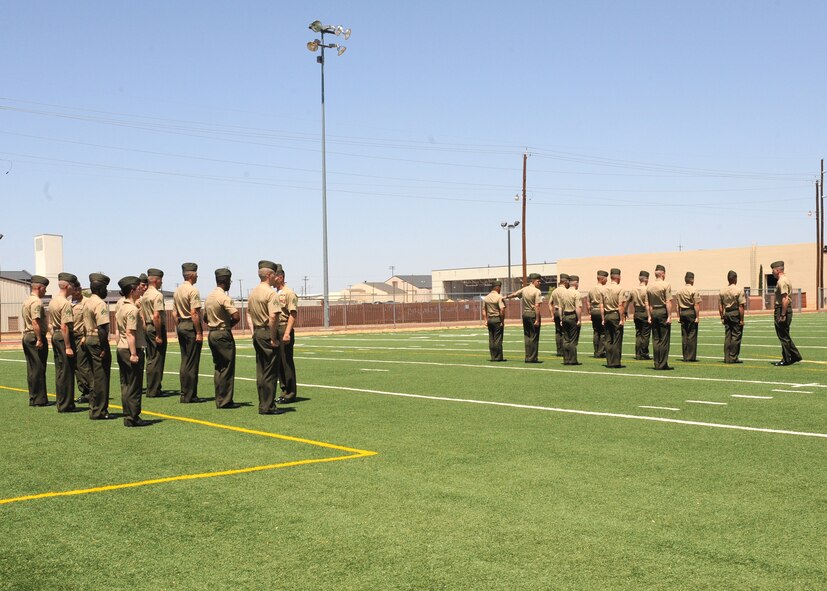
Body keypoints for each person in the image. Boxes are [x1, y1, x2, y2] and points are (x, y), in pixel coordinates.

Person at [247, 260, 282, 414]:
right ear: (269, 275)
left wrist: (253, 331)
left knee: (261, 370)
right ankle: (268, 406)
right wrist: (273, 338)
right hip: (267, 333)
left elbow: (247, 313)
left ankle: (263, 403)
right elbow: (273, 317)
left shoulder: (253, 292)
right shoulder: (271, 293)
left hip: (258, 333)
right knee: (270, 371)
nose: (276, 277)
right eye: (274, 274)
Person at [116, 276, 150, 427]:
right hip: (131, 349)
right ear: (132, 290)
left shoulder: (121, 307)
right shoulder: (131, 309)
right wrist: (134, 354)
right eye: (137, 288)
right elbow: (131, 333)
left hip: (121, 347)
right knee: (134, 385)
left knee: (126, 383)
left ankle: (128, 415)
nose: (140, 290)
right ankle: (133, 417)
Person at [204, 268, 240, 408]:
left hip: (212, 333)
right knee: (227, 367)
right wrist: (227, 325)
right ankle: (225, 401)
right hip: (222, 333)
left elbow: (204, 317)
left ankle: (219, 398)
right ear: (225, 281)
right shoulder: (224, 298)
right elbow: (236, 315)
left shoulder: (209, 297)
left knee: (218, 367)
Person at [173, 262, 205, 403]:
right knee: (192, 362)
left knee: (185, 360)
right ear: (192, 274)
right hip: (190, 325)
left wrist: (178, 327)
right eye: (196, 273)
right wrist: (198, 331)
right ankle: (190, 395)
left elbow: (174, 313)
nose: (197, 276)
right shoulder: (193, 291)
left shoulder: (177, 290)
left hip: (181, 324)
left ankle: (184, 392)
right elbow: (194, 312)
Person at [84, 273, 113, 419]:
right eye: (105, 288)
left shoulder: (87, 302)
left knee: (93, 377)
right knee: (101, 377)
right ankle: (100, 410)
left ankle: (93, 407)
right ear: (101, 288)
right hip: (97, 340)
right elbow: (102, 328)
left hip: (88, 338)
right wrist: (105, 348)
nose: (106, 291)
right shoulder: (100, 304)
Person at [49, 272, 78, 412]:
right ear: (67, 286)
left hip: (56, 335)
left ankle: (62, 401)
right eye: (72, 285)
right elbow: (65, 325)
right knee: (66, 371)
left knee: (60, 370)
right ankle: (67, 404)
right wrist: (68, 346)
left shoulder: (53, 300)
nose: (74, 288)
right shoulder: (65, 303)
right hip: (63, 337)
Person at [21, 275, 50, 407]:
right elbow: (35, 321)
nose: (45, 291)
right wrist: (39, 338)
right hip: (34, 336)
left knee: (32, 369)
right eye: (45, 289)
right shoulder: (37, 302)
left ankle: (34, 397)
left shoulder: (27, 300)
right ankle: (39, 399)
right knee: (38, 368)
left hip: (27, 335)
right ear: (40, 287)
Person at [506, 273, 543, 363]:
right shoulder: (537, 291)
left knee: (527, 336)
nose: (540, 283)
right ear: (533, 281)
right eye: (538, 281)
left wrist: (506, 297)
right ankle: (533, 358)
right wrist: (537, 319)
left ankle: (527, 357)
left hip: (525, 314)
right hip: (533, 314)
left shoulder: (524, 289)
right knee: (534, 337)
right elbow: (537, 305)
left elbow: (515, 294)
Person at [142, 268, 167, 397]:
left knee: (150, 358)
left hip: (147, 327)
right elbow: (156, 316)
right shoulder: (157, 295)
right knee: (157, 358)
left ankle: (151, 387)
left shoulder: (145, 294)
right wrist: (159, 334)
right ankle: (154, 389)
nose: (162, 283)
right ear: (156, 280)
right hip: (155, 327)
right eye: (161, 280)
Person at [771, 261, 802, 366]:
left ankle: (788, 358)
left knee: (783, 335)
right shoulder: (785, 279)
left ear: (777, 270)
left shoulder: (782, 281)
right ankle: (792, 356)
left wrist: (782, 315)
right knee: (784, 334)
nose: (772, 273)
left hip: (782, 309)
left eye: (773, 270)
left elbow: (785, 299)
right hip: (784, 308)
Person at [275, 266, 299, 402]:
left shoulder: (289, 293)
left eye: (275, 276)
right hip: (276, 328)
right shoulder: (274, 294)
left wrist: (287, 333)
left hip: (284, 328)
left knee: (286, 362)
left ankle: (290, 393)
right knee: (278, 363)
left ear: (281, 277)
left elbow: (293, 314)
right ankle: (283, 390)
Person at [647, 264, 673, 370]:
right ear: (663, 274)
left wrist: (649, 316)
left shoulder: (649, 286)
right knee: (664, 339)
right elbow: (668, 301)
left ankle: (657, 363)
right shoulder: (666, 285)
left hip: (654, 312)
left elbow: (648, 303)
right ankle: (663, 364)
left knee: (656, 339)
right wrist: (670, 316)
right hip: (662, 311)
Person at [71, 279, 93, 404]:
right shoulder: (69, 303)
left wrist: (85, 336)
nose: (77, 291)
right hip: (71, 337)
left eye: (79, 289)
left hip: (81, 337)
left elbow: (88, 321)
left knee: (83, 365)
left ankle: (91, 390)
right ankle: (84, 391)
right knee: (75, 367)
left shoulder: (86, 302)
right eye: (75, 289)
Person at [718, 270, 745, 364]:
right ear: (735, 279)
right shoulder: (738, 290)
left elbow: (720, 305)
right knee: (736, 336)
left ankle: (726, 357)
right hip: (735, 313)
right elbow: (741, 306)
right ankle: (733, 357)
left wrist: (722, 316)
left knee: (728, 336)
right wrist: (741, 319)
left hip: (727, 313)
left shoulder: (722, 290)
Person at [601, 268, 626, 368]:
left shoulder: (604, 289)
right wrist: (621, 319)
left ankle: (609, 361)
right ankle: (616, 362)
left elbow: (601, 305)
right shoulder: (620, 289)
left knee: (608, 339)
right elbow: (620, 305)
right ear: (618, 277)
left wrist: (603, 318)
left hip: (607, 315)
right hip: (615, 315)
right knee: (617, 339)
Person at [675, 272, 701, 362]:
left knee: (684, 335)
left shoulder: (679, 291)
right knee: (692, 335)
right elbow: (696, 305)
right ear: (692, 279)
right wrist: (697, 317)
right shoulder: (694, 289)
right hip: (691, 312)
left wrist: (678, 316)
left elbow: (677, 305)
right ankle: (691, 357)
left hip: (683, 313)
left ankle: (685, 356)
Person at [559, 274, 582, 365]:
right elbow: (578, 308)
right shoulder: (576, 293)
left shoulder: (563, 293)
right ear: (575, 283)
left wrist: (561, 319)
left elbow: (560, 307)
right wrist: (579, 319)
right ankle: (572, 360)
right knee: (573, 340)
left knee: (566, 339)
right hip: (572, 316)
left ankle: (566, 359)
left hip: (565, 316)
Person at [628, 271, 652, 360]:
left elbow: (627, 301)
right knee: (645, 335)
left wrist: (625, 313)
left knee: (638, 333)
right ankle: (644, 353)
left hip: (637, 312)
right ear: (646, 279)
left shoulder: (633, 290)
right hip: (645, 312)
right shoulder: (648, 289)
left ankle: (638, 354)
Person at [481, 280, 506, 362]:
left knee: (491, 339)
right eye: (500, 288)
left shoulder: (486, 297)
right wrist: (502, 321)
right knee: (498, 339)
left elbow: (484, 310)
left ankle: (493, 356)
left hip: (490, 319)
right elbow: (502, 309)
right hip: (497, 319)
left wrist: (485, 320)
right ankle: (498, 357)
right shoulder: (499, 297)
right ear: (498, 287)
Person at [588, 270, 608, 358]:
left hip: (593, 311)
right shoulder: (604, 289)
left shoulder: (591, 289)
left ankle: (596, 351)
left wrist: (590, 312)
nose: (607, 280)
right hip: (601, 311)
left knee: (596, 332)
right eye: (606, 278)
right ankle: (601, 352)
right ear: (602, 278)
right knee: (603, 332)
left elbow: (588, 302)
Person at [550, 274, 569, 356]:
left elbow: (549, 303)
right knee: (565, 332)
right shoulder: (566, 291)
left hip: (556, 311)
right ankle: (565, 350)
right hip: (564, 312)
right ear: (565, 282)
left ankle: (559, 351)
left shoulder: (554, 291)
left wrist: (552, 315)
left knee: (558, 332)